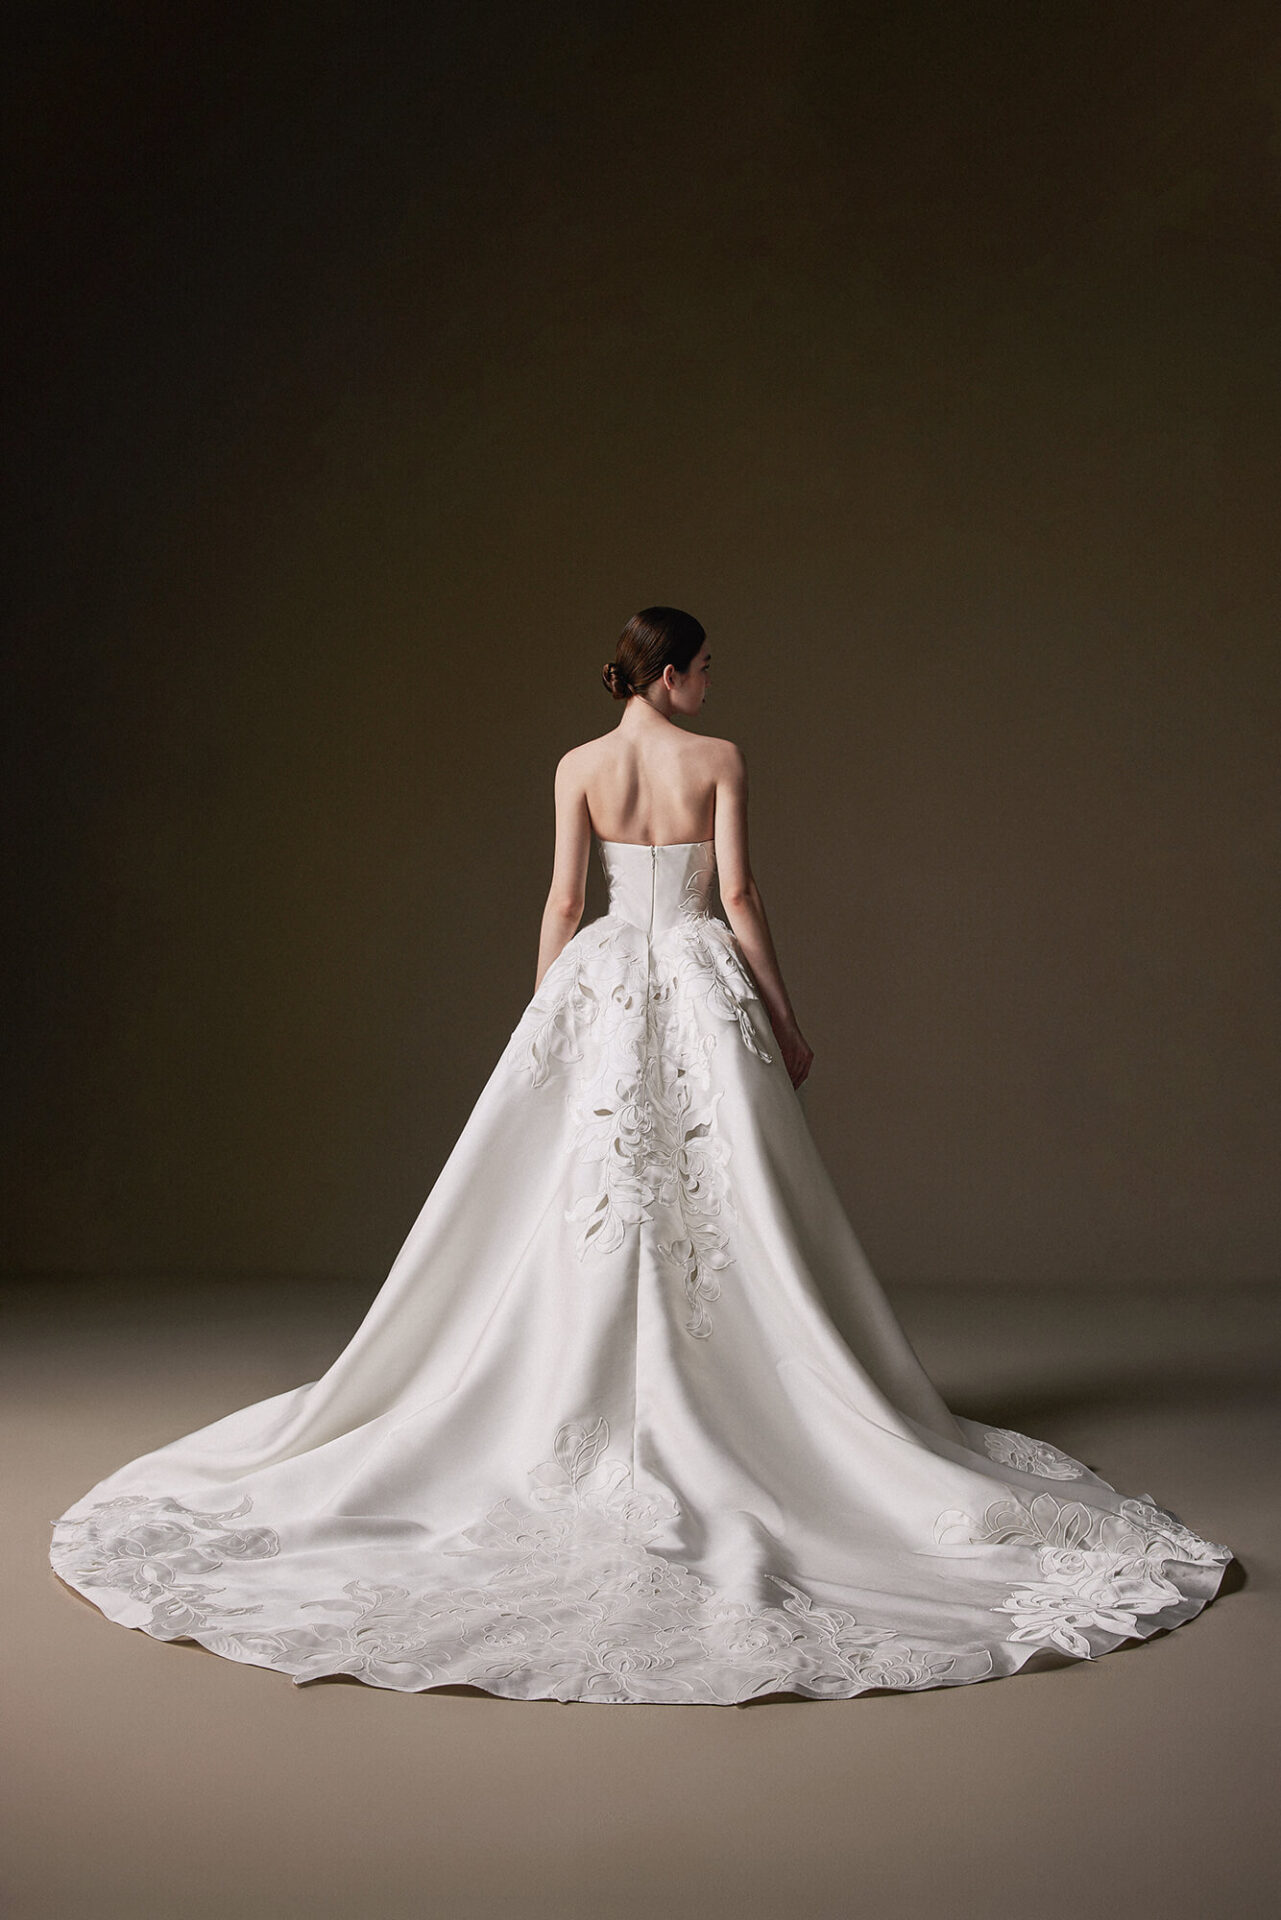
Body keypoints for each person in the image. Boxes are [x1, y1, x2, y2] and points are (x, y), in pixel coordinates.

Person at [50, 607, 1231, 1703]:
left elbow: (565, 902)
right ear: (673, 675)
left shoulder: (577, 765)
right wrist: (784, 1016)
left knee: (600, 1198)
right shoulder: (715, 758)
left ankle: (612, 1397)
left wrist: (545, 1022)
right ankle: (745, 1408)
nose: (713, 683)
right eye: (705, 666)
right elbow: (745, 893)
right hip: (702, 988)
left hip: (606, 983)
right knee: (732, 1208)